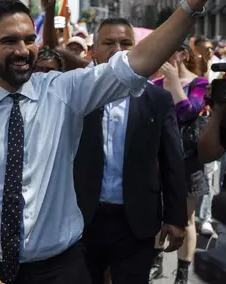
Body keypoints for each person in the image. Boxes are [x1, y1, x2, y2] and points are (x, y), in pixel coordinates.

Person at [0, 0, 226, 284]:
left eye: (29, 39)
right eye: (8, 41)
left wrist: (194, 3)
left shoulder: (64, 91)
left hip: (62, 269)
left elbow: (138, 62)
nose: (22, 49)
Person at [74, 18, 187, 284]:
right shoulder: (75, 94)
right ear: (93, 51)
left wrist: (176, 217)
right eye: (109, 43)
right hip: (82, 220)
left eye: (126, 43)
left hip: (136, 222)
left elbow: (171, 160)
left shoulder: (157, 99)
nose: (118, 49)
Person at [150, 43, 209, 284]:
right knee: (155, 212)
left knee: (186, 218)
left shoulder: (200, 84)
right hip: (156, 159)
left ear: (183, 54)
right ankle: (156, 262)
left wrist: (174, 83)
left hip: (187, 160)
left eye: (170, 51)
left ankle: (183, 272)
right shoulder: (153, 84)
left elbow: (188, 113)